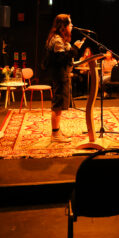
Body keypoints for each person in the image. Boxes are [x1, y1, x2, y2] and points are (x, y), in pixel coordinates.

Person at [45, 14, 84, 142]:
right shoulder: (57, 40)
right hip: (59, 76)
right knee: (57, 105)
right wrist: (75, 48)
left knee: (60, 104)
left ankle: (57, 131)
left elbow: (66, 56)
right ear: (63, 26)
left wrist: (74, 48)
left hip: (62, 75)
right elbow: (61, 59)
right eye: (70, 23)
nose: (72, 25)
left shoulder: (61, 39)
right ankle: (55, 135)